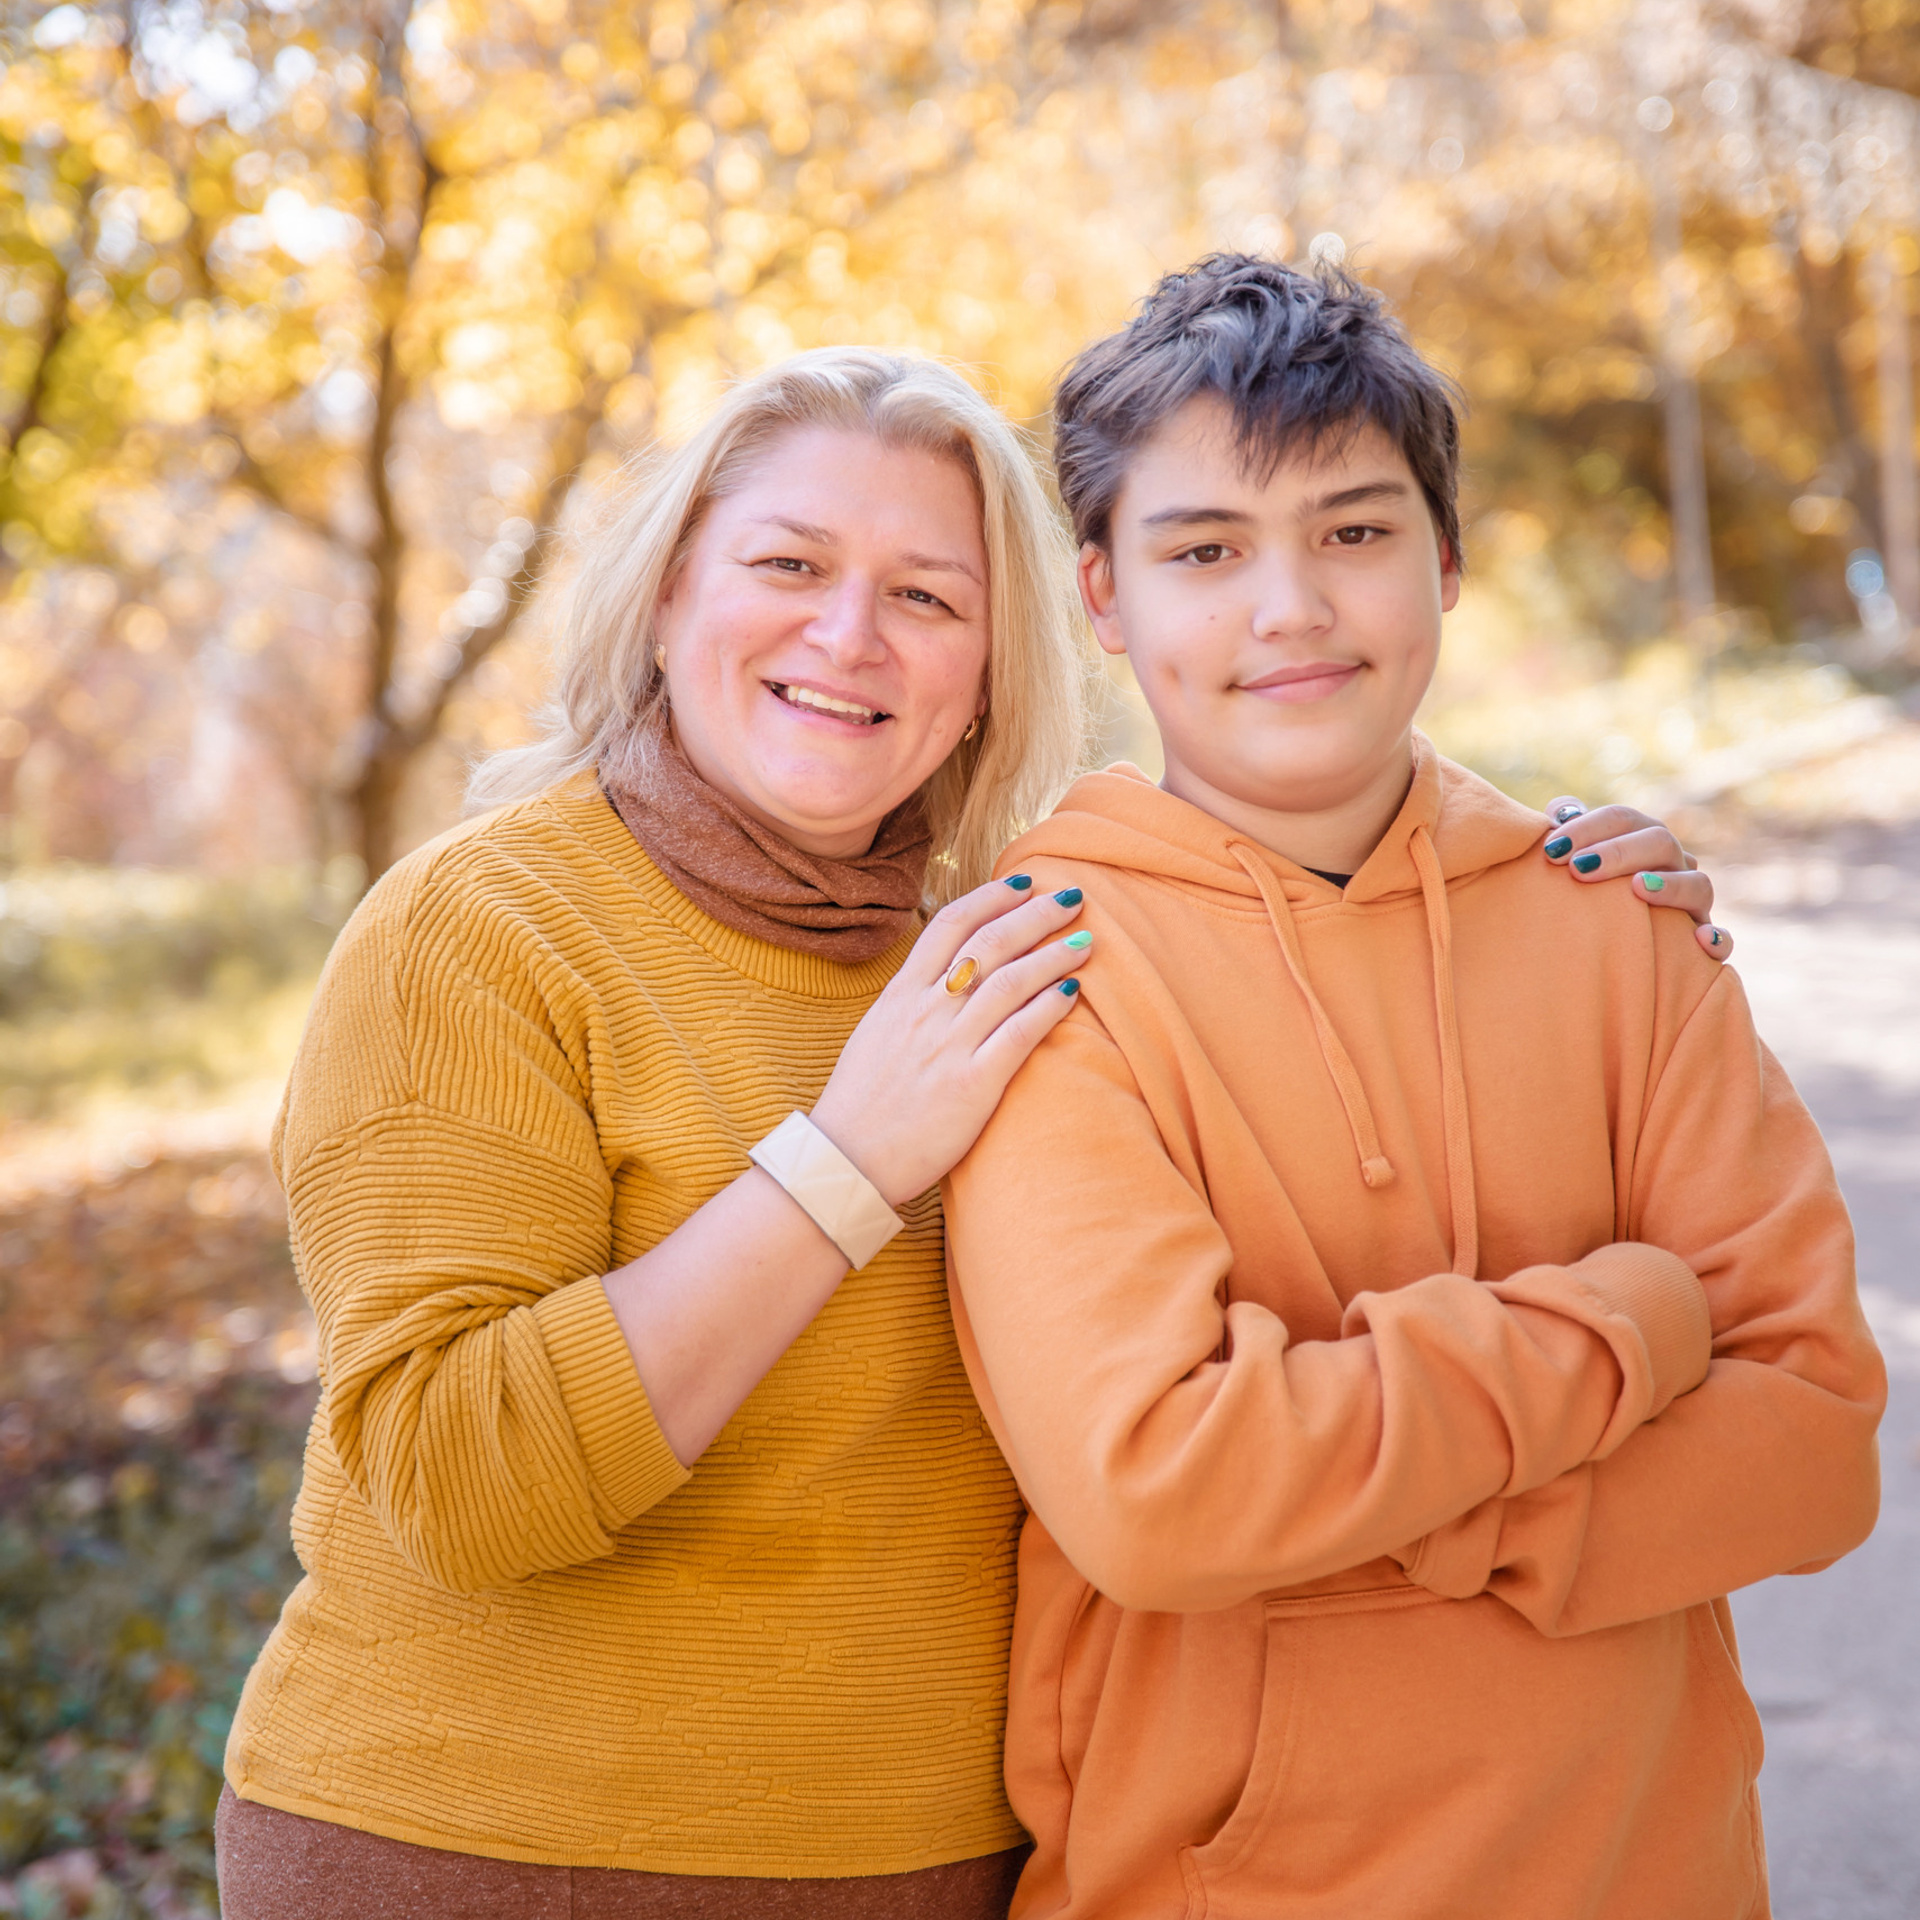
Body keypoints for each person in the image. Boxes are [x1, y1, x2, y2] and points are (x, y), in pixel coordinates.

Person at [217, 345, 1722, 1919]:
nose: (848, 637)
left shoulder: (1005, 956)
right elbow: (462, 1480)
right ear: (667, 597)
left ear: (999, 663)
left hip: (932, 1871)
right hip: (490, 1858)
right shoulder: (479, 926)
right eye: (789, 566)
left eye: (928, 598)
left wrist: (1556, 886)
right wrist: (847, 1161)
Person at [942, 258, 1886, 1919]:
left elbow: (1815, 1446)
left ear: (1446, 563)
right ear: (1103, 598)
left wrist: (1393, 1510)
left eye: (1356, 533)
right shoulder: (1043, 975)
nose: (1290, 608)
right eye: (1206, 551)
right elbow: (1165, 1495)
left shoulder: (1618, 925)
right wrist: (1633, 1330)